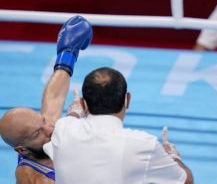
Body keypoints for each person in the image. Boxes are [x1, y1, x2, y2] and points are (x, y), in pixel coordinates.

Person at [43, 66, 193, 184]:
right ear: (127, 100)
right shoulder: (144, 144)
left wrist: (75, 113)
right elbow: (185, 181)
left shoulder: (63, 128)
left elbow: (64, 117)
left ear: (83, 103)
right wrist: (173, 157)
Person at [0, 15, 93, 184]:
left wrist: (68, 52)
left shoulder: (43, 132)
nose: (50, 128)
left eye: (42, 120)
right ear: (22, 150)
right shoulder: (35, 179)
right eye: (38, 132)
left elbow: (54, 96)